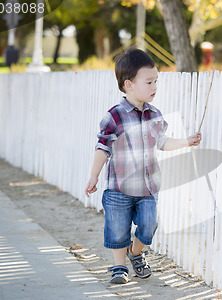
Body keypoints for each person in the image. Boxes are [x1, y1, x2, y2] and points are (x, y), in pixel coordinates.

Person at [85, 47, 202, 284]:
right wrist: (94, 176)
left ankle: (135, 252)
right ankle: (119, 267)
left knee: (149, 225)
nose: (154, 87)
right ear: (128, 84)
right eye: (149, 82)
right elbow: (102, 147)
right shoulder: (115, 116)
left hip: (148, 187)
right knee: (118, 230)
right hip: (118, 188)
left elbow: (162, 142)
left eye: (156, 81)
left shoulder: (154, 115)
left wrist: (186, 142)